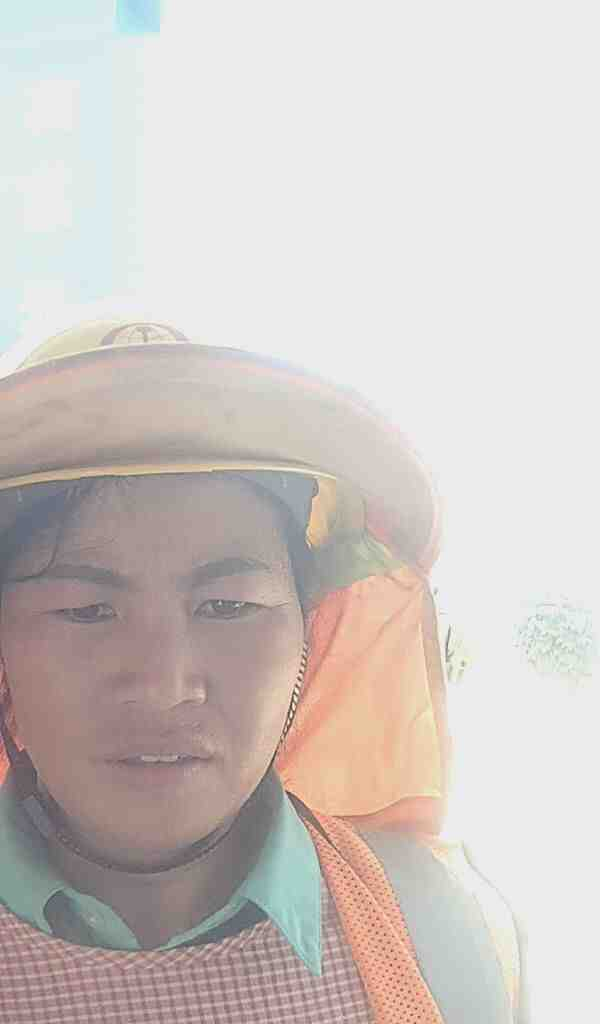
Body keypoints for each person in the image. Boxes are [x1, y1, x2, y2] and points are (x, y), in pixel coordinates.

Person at [0, 320, 528, 1023]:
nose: (165, 686)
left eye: (228, 606)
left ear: (307, 641)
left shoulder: (439, 931)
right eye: (86, 610)